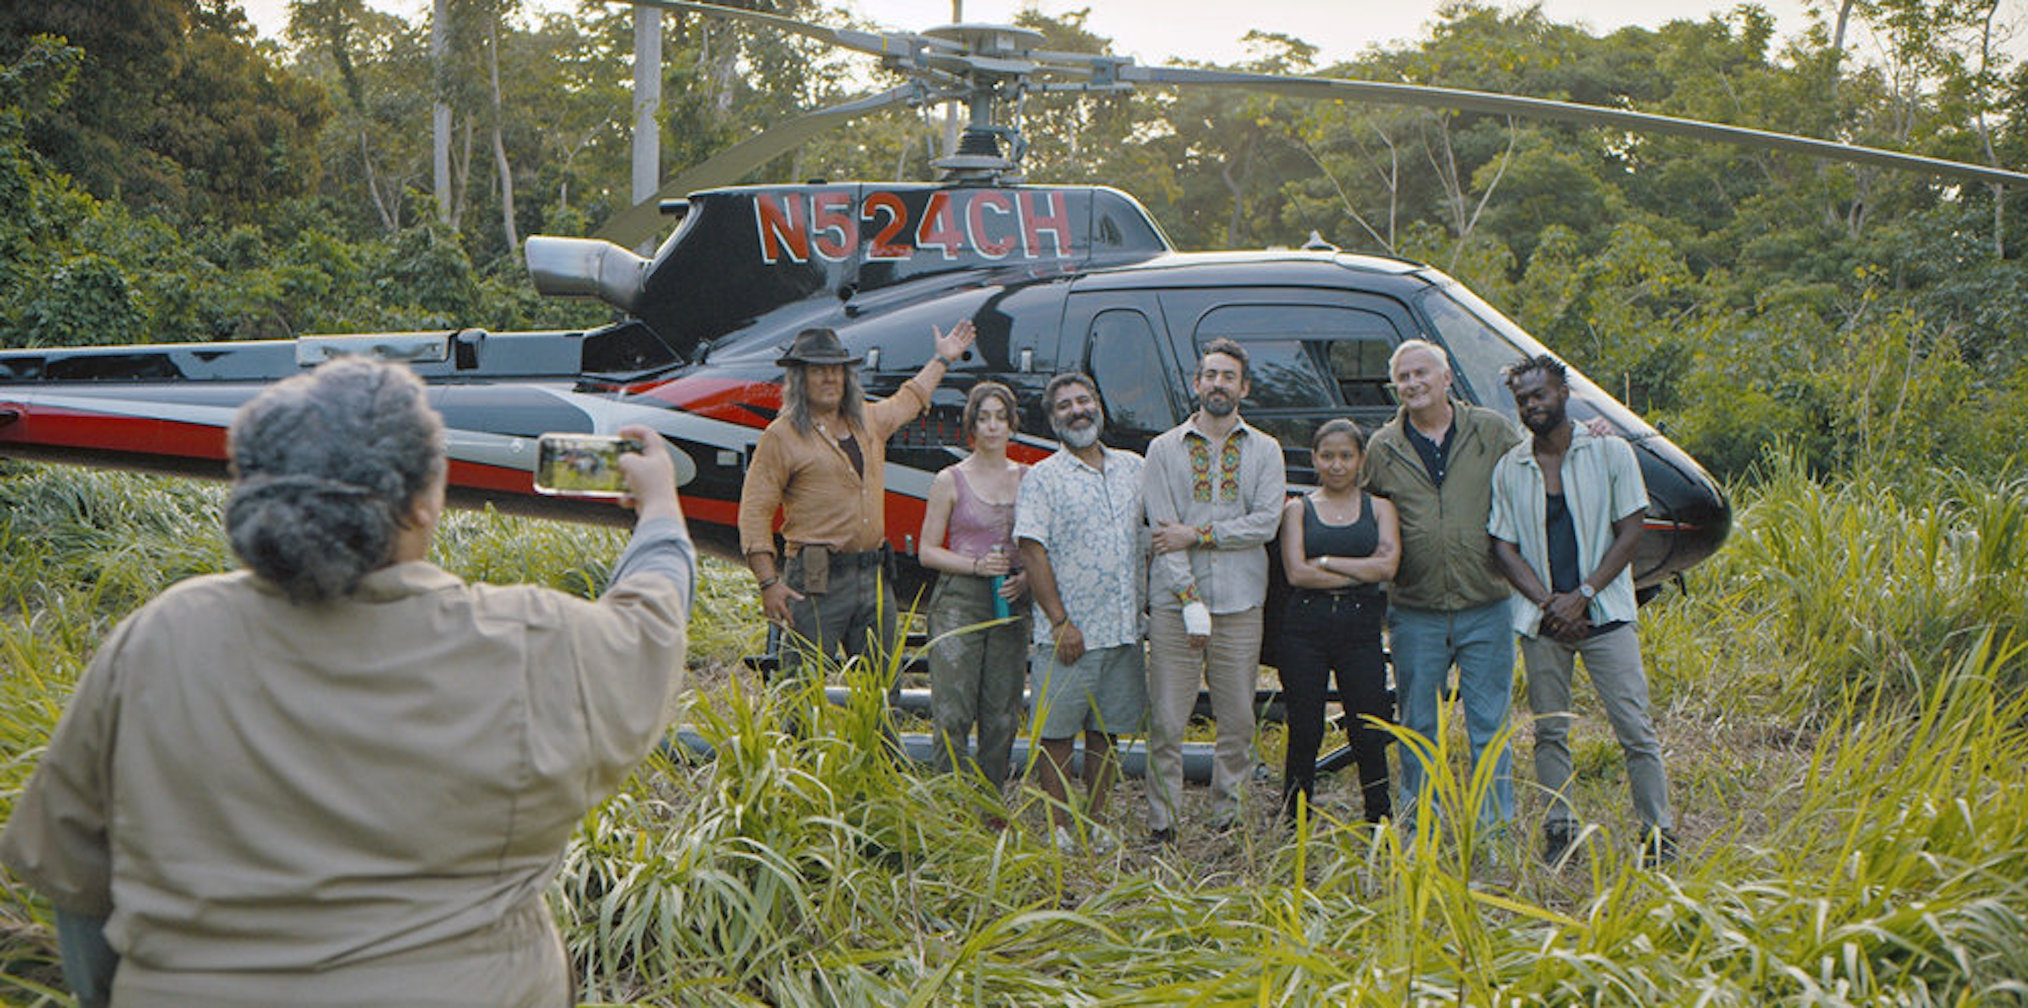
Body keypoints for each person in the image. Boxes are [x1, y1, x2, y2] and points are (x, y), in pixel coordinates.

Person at [0, 357, 693, 1008]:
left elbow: (73, 880)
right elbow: (651, 624)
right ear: (421, 503)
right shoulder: (532, 639)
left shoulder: (161, 635)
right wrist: (659, 507)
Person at [1488, 354, 1677, 868]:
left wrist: (1585, 593)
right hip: (1543, 621)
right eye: (1523, 399)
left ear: (1564, 393)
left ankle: (1658, 832)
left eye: (1540, 395)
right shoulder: (1512, 466)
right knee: (1550, 730)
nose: (1532, 405)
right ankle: (1561, 831)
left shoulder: (1610, 453)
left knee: (1634, 727)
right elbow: (1503, 546)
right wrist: (1551, 602)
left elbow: (1632, 531)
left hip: (1606, 615)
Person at [738, 321, 976, 686]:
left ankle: (878, 746)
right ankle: (802, 747)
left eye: (837, 370)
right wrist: (768, 582)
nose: (831, 379)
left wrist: (941, 360)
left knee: (883, 686)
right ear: (800, 379)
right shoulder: (781, 436)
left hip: (872, 576)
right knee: (802, 688)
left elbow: (909, 399)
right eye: (819, 371)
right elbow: (755, 511)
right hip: (815, 578)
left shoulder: (868, 419)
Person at [1360, 338, 1524, 836]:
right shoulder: (1383, 448)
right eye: (1403, 377)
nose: (1412, 383)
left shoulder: (1492, 432)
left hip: (1486, 604)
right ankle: (1418, 830)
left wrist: (1591, 435)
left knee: (1489, 727)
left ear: (1447, 378)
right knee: (1418, 727)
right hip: (1415, 610)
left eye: (1421, 373)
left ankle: (1494, 835)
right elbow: (1370, 517)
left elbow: (1536, 472)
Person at [1141, 339, 1286, 839]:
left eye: (1228, 376)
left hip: (1242, 603)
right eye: (1210, 375)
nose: (1218, 384)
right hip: (1173, 606)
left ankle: (1229, 819)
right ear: (1196, 383)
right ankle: (1164, 823)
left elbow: (1265, 523)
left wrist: (1199, 534)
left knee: (1238, 721)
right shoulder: (1162, 450)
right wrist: (1188, 602)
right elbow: (1164, 532)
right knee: (1166, 720)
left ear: (1243, 388)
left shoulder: (1265, 450)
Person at [1014, 373, 1149, 853]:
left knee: (1107, 731)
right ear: (1054, 421)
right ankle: (1059, 827)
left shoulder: (1134, 467)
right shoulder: (1043, 477)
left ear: (1100, 407)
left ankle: (1097, 820)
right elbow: (1032, 550)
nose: (1078, 410)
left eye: (1084, 400)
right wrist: (1059, 620)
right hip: (1070, 633)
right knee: (1055, 732)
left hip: (1124, 628)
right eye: (1066, 405)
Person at [1276, 419, 1400, 825]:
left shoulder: (1379, 508)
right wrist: (1361, 571)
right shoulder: (1299, 509)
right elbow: (1297, 573)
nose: (1337, 465)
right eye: (1327, 456)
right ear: (1314, 459)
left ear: (1361, 459)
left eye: (1346, 456)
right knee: (1305, 726)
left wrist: (1328, 562)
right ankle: (1295, 818)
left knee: (1368, 725)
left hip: (1360, 627)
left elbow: (1388, 566)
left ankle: (1378, 818)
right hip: (1305, 628)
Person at [916, 381, 1030, 786]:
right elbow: (927, 551)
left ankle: (990, 803)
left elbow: (1043, 545)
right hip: (960, 600)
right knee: (954, 709)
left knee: (1001, 710)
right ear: (972, 426)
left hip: (1011, 598)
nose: (993, 427)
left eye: (1001, 418)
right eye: (984, 419)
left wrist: (1026, 578)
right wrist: (976, 565)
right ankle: (950, 805)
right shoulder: (950, 480)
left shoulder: (1028, 479)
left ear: (1012, 424)